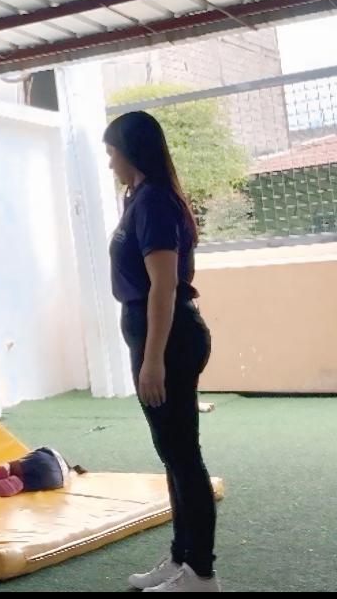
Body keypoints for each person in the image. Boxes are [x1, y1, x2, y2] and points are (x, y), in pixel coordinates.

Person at [104, 110, 220, 593]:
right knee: (172, 454)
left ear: (132, 151)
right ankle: (181, 560)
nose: (110, 162)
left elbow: (164, 286)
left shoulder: (154, 201)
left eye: (113, 152)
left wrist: (153, 360)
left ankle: (201, 573)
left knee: (183, 455)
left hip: (169, 338)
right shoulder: (138, 197)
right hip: (152, 333)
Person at [0, 446, 86, 497]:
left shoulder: (47, 453)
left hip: (43, 458)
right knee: (27, 483)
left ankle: (8, 468)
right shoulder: (67, 473)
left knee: (15, 467)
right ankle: (18, 483)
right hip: (56, 480)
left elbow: (38, 452)